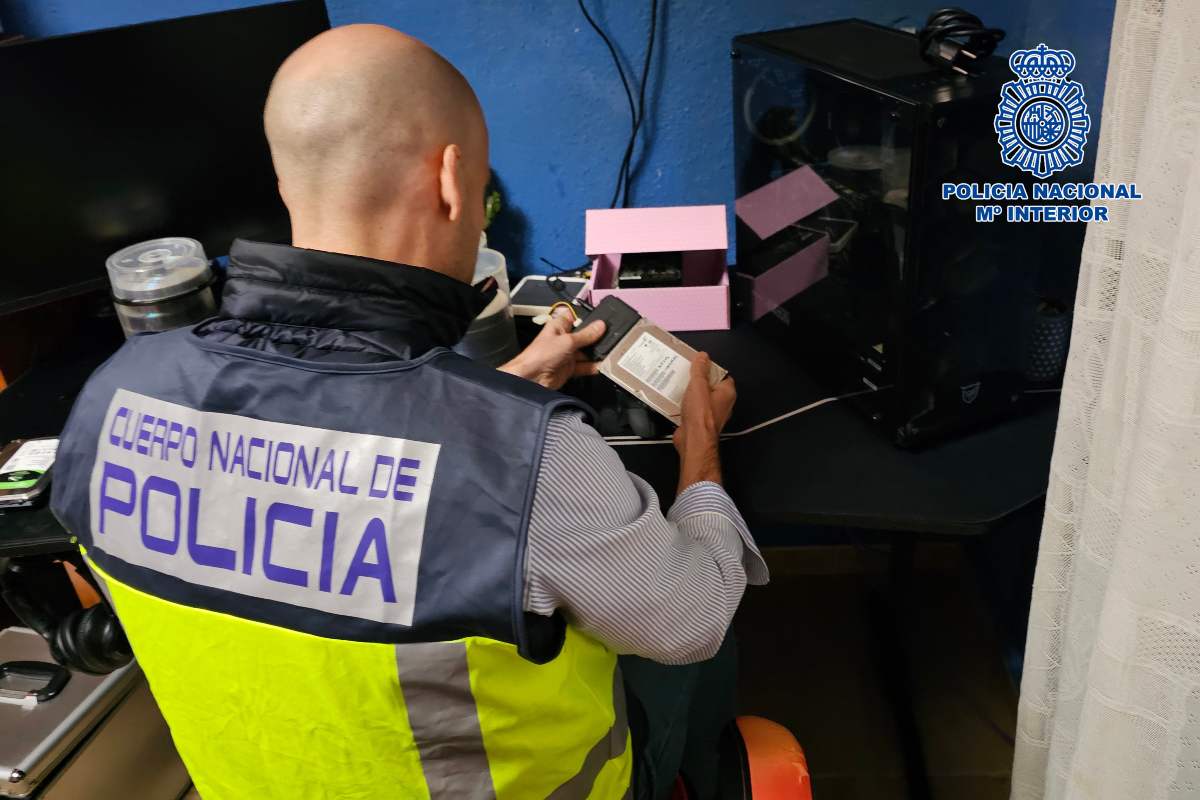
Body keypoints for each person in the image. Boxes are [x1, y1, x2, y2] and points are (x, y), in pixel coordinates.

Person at [50, 24, 766, 800]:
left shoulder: (113, 392)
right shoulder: (531, 459)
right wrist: (701, 452)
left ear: (290, 184)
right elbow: (691, 619)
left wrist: (516, 383)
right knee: (702, 616)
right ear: (454, 182)